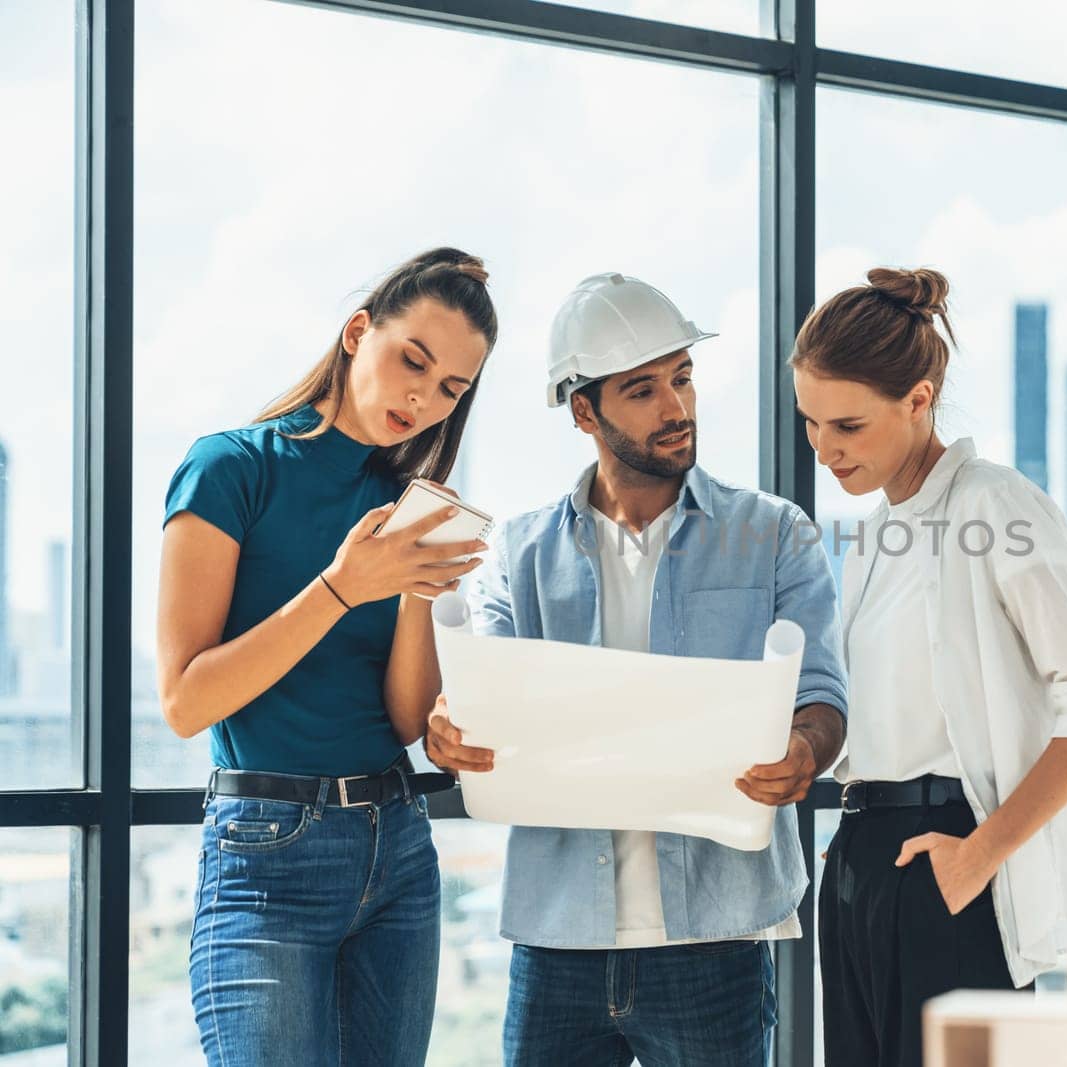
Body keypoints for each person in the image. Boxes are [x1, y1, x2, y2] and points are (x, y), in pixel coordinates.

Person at [424, 272, 848, 1067]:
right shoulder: (518, 553)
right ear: (585, 411)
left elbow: (822, 694)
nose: (676, 407)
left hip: (714, 938)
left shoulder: (775, 533)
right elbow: (480, 692)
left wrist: (804, 751)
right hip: (557, 940)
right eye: (643, 389)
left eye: (682, 378)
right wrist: (450, 728)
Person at [792, 266, 1067, 1067]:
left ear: (918, 400)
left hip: (945, 865)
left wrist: (977, 854)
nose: (824, 448)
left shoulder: (997, 506)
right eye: (810, 422)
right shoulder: (875, 534)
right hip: (859, 861)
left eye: (847, 424)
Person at [157, 248, 498, 1066]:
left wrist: (417, 588)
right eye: (413, 359)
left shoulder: (403, 507)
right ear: (357, 333)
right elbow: (184, 701)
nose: (424, 397)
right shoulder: (230, 468)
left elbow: (408, 718)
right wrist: (345, 585)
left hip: (399, 850)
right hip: (266, 860)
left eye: (452, 388)